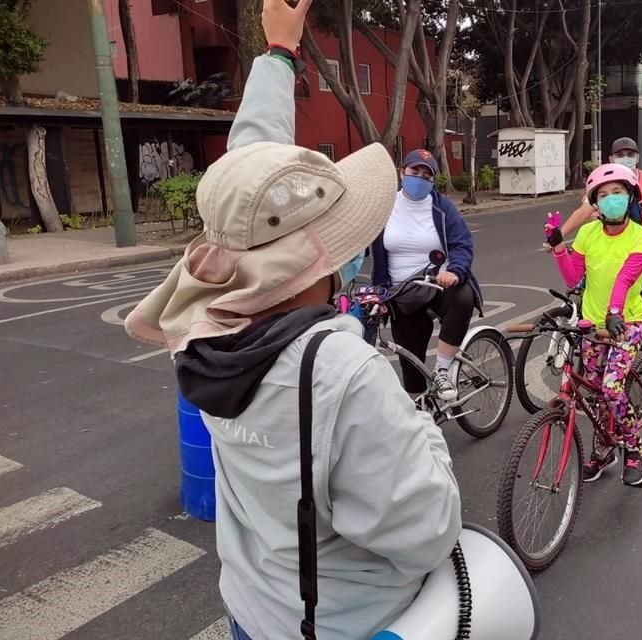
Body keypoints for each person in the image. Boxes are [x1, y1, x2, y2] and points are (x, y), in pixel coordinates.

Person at [124, 2, 461, 639]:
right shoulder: (343, 371)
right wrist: (424, 433)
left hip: (253, 609)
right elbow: (427, 532)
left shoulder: (205, 323)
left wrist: (279, 54)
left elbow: (250, 182)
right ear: (314, 265)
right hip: (344, 624)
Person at [547, 163, 642, 486]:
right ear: (595, 203)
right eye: (603, 195)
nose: (611, 199)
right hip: (593, 323)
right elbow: (573, 276)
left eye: (618, 193)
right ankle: (603, 449)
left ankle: (636, 451)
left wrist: (615, 312)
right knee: (594, 394)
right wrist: (557, 246)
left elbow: (626, 278)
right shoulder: (588, 232)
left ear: (630, 196)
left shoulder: (641, 236)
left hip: (628, 322)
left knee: (611, 389)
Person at [547, 136, 642, 359]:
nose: (625, 158)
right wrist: (559, 236)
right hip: (612, 250)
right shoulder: (601, 183)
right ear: (610, 158)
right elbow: (583, 212)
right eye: (620, 155)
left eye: (630, 154)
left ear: (637, 157)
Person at [371, 149, 481, 401]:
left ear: (433, 180)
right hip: (400, 291)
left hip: (437, 284)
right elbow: (363, 244)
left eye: (426, 175)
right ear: (402, 172)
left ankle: (443, 369)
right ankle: (418, 417)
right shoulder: (384, 207)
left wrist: (454, 271)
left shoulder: (442, 208)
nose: (419, 178)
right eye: (414, 171)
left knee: (462, 298)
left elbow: (462, 244)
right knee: (410, 363)